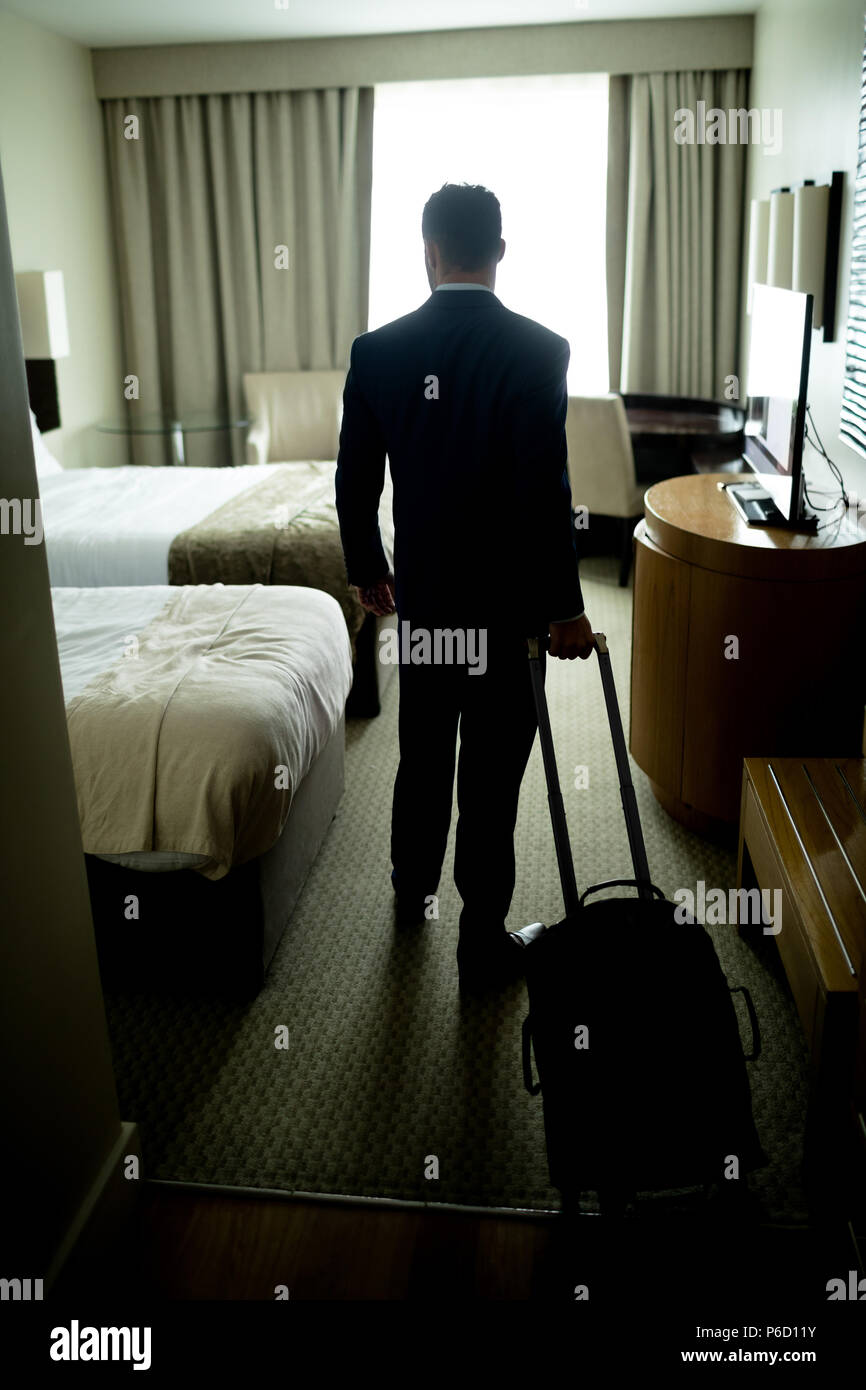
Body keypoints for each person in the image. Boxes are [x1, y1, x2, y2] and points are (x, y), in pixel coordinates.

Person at [336, 182, 593, 990]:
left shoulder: (377, 352)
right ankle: (481, 942)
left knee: (421, 752)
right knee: (489, 778)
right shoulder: (539, 350)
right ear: (501, 254)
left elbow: (353, 482)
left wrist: (368, 570)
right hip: (509, 616)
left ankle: (410, 889)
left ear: (430, 251)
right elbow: (544, 493)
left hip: (428, 603)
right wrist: (567, 610)